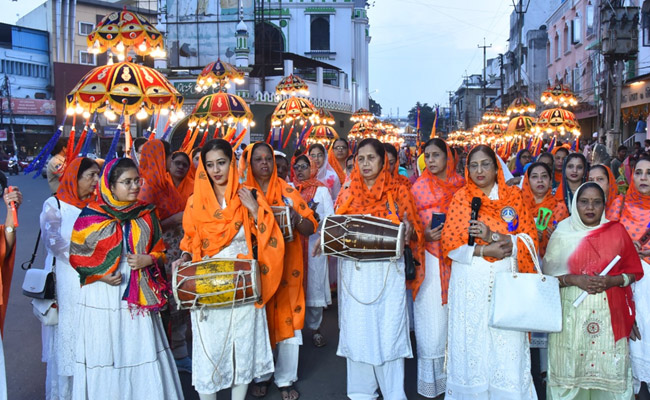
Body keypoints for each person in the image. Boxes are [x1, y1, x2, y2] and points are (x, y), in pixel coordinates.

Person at [174, 139, 285, 400]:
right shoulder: (194, 201)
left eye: (221, 163)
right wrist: (185, 255)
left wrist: (256, 210)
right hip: (207, 280)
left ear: (231, 163)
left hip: (242, 280)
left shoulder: (248, 195)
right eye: (210, 165)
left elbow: (270, 236)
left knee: (242, 345)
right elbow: (190, 238)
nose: (216, 170)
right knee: (208, 347)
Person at [69, 158, 183, 399]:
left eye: (136, 181)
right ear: (110, 186)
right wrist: (100, 276)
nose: (134, 187)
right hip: (103, 294)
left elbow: (160, 249)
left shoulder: (146, 213)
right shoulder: (91, 215)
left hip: (137, 292)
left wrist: (149, 259)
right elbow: (78, 257)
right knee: (107, 351)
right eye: (127, 182)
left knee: (137, 347)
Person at [327, 137, 423, 400]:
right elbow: (338, 229)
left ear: (383, 161)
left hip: (387, 274)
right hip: (355, 273)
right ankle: (361, 392)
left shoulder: (398, 191)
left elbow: (415, 232)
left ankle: (393, 392)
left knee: (388, 329)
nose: (366, 163)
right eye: (361, 158)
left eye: (371, 158)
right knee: (358, 329)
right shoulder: (348, 190)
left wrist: (408, 231)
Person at [441, 144, 538, 400]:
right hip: (469, 283)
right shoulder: (461, 198)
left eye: (485, 164)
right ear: (467, 169)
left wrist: (493, 236)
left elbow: (529, 239)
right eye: (474, 165)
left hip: (507, 283)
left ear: (497, 168)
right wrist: (486, 252)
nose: (479, 170)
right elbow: (450, 245)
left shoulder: (514, 198)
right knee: (472, 342)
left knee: (506, 344)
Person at [543, 182, 644, 399]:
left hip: (609, 319)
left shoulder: (617, 232)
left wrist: (612, 281)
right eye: (584, 202)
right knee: (569, 376)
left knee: (609, 378)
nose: (590, 207)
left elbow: (634, 272)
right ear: (574, 204)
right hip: (570, 319)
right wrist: (573, 279)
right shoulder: (562, 232)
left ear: (604, 205)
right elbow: (547, 278)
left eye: (597, 202)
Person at [242, 143, 317, 400]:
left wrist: (296, 219)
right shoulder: (241, 194)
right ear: (249, 164)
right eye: (258, 159)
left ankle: (285, 378)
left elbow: (310, 226)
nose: (264, 163)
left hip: (287, 269)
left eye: (268, 159)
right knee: (259, 322)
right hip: (257, 270)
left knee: (288, 320)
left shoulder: (288, 191)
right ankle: (262, 375)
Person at [40, 157, 99, 400]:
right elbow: (54, 242)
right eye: (90, 176)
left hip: (94, 279)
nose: (96, 181)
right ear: (75, 177)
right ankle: (65, 394)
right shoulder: (54, 204)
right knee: (69, 333)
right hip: (67, 279)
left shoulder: (98, 205)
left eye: (98, 175)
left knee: (91, 333)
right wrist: (89, 258)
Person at [410, 138, 464, 398]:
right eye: (427, 156)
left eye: (435, 155)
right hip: (429, 262)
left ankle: (457, 380)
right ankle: (432, 382)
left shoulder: (463, 186)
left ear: (448, 157)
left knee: (456, 319)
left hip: (459, 259)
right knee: (431, 322)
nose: (431, 160)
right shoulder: (418, 187)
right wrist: (425, 236)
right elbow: (408, 226)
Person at [138, 140, 191, 372]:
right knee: (166, 307)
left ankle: (179, 354)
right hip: (161, 255)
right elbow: (143, 227)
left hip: (177, 253)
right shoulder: (147, 187)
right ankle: (162, 358)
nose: (172, 163)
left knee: (179, 304)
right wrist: (174, 219)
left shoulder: (163, 183)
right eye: (170, 157)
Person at [608, 156, 650, 398]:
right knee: (629, 351)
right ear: (631, 176)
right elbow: (606, 244)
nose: (643, 177)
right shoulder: (619, 205)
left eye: (649, 173)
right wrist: (626, 248)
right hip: (625, 283)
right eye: (639, 172)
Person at [292, 155, 334, 348]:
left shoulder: (322, 190)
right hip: (294, 246)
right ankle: (295, 330)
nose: (300, 170)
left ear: (313, 168)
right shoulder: (289, 189)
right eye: (297, 167)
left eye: (304, 166)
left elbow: (330, 219)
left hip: (314, 245)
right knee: (295, 287)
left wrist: (314, 222)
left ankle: (316, 329)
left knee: (315, 287)